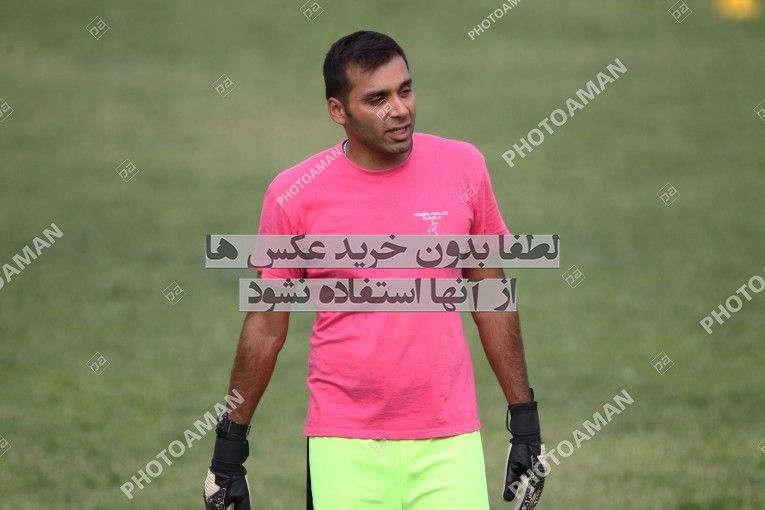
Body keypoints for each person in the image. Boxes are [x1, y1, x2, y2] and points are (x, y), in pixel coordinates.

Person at [203, 30, 546, 510]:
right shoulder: (294, 194)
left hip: (450, 440)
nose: (400, 109)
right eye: (377, 99)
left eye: (405, 90)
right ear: (337, 110)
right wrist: (229, 450)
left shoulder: (463, 167)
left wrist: (525, 422)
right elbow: (265, 327)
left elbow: (491, 299)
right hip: (344, 445)